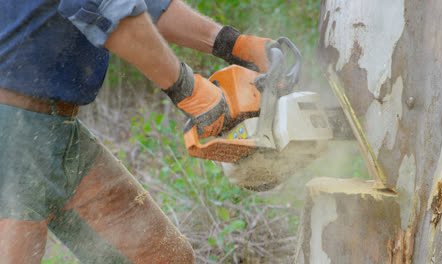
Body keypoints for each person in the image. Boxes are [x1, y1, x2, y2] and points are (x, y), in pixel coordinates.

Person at [0, 0, 274, 263]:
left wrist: (233, 43)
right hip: (14, 129)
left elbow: (142, 4)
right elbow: (110, 10)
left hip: (57, 129)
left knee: (163, 258)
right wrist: (188, 90)